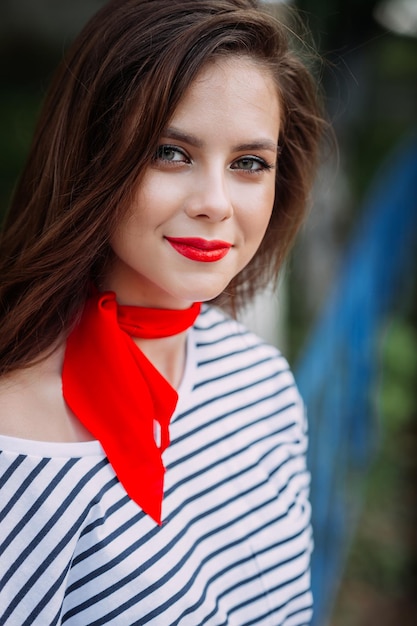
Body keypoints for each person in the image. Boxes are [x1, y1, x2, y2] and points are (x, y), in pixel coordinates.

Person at [0, 0, 325, 623]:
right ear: (92, 156)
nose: (215, 203)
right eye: (171, 153)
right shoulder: (21, 449)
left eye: (249, 164)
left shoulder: (262, 382)